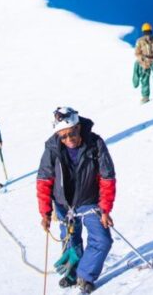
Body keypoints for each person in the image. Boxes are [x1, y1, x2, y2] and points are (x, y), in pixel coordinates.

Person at [37, 107, 116, 293]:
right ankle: (72, 274)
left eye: (71, 133)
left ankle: (85, 274)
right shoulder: (52, 148)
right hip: (64, 204)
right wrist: (45, 212)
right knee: (70, 240)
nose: (68, 139)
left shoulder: (95, 144)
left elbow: (107, 178)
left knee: (102, 240)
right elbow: (43, 180)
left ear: (78, 127)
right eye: (63, 136)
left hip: (89, 201)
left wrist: (105, 209)